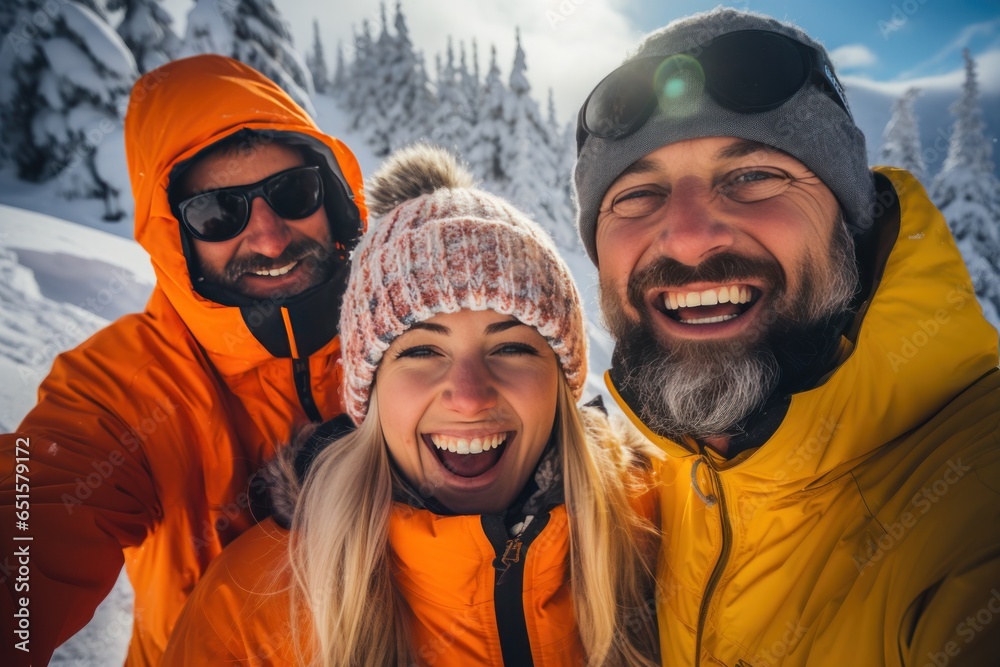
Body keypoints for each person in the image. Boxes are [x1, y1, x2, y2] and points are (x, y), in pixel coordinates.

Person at [572, 7, 1000, 666]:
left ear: (849, 226)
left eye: (752, 177)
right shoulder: (635, 489)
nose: (688, 236)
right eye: (638, 194)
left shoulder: (970, 499)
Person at [162, 144, 661, 666]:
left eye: (511, 347)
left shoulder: (662, 525)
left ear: (562, 381)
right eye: (423, 350)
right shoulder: (249, 605)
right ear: (369, 390)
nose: (469, 397)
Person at [0, 55, 366, 666]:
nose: (270, 236)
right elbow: (38, 512)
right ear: (178, 238)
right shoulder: (121, 386)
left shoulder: (416, 336)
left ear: (331, 196)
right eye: (219, 213)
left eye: (292, 192)